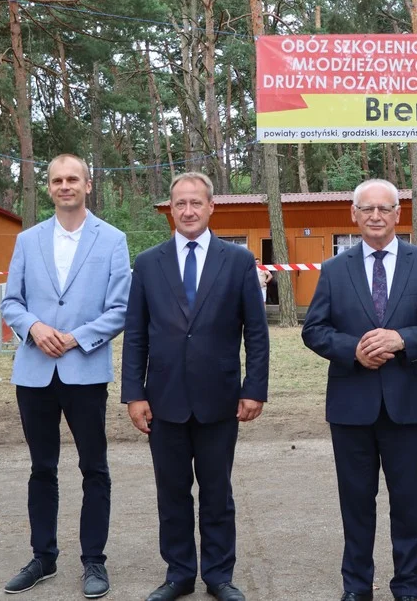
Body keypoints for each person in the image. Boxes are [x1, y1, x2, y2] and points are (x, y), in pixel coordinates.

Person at [301, 179, 417, 601]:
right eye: (366, 209)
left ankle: (407, 586)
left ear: (397, 214)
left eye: (384, 209)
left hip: (408, 404)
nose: (375, 216)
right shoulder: (334, 268)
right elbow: (314, 330)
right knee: (356, 504)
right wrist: (354, 349)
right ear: (353, 214)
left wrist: (402, 340)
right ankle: (356, 586)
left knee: (407, 504)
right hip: (351, 405)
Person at [122, 172, 269, 601]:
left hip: (220, 400)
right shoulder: (149, 262)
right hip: (163, 400)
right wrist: (134, 392)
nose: (187, 211)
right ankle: (179, 574)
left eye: (195, 203)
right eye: (179, 204)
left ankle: (219, 576)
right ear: (171, 209)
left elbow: (255, 333)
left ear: (210, 208)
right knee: (171, 494)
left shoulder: (237, 260)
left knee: (217, 494)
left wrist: (254, 388)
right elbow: (136, 334)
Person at [1, 153, 132, 599]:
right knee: (42, 468)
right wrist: (34, 328)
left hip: (86, 370)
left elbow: (120, 309)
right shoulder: (28, 240)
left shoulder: (112, 239)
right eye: (57, 180)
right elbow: (11, 302)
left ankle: (94, 561)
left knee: (94, 468)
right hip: (34, 372)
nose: (64, 185)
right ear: (49, 187)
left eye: (72, 178)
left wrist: (76, 337)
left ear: (88, 184)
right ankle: (43, 557)